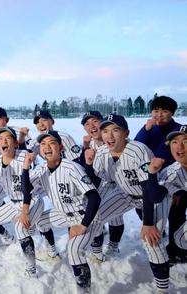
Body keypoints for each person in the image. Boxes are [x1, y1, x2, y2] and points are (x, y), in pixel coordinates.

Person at [84, 114, 171, 293]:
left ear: (126, 133)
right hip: (126, 193)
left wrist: (147, 224)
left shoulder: (138, 150)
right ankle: (99, 255)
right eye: (105, 131)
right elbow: (96, 180)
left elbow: (148, 188)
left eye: (115, 130)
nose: (109, 135)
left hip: (153, 196)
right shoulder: (101, 152)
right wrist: (89, 165)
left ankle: (163, 288)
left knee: (151, 240)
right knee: (96, 216)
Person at [22, 130, 101, 292]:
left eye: (51, 143)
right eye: (42, 144)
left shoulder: (72, 168)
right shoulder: (41, 168)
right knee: (40, 221)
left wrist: (84, 225)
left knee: (74, 252)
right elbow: (26, 188)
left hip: (85, 216)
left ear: (61, 147)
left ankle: (84, 291)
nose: (46, 147)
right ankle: (52, 252)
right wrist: (25, 168)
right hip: (63, 214)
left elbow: (94, 197)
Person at [0, 127, 44, 278]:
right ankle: (7, 237)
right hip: (13, 202)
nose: (4, 141)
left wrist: (24, 212)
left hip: (31, 199)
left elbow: (28, 187)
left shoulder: (24, 156)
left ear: (15, 142)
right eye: (0, 139)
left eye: (8, 138)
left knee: (21, 229)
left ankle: (31, 268)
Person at [134, 96, 186, 262]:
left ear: (172, 113)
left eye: (164, 111)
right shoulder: (149, 129)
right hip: (152, 177)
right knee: (145, 208)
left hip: (176, 179)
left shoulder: (179, 130)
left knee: (176, 214)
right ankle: (160, 232)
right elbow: (136, 148)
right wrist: (146, 130)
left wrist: (178, 189)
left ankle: (176, 249)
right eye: (156, 110)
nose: (159, 114)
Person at [79, 111, 125, 260]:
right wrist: (85, 148)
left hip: (121, 184)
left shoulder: (117, 139)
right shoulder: (90, 144)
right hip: (102, 183)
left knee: (116, 218)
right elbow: (85, 168)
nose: (91, 126)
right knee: (94, 215)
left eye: (95, 121)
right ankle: (97, 250)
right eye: (87, 124)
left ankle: (113, 246)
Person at [156, 125, 187, 282]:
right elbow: (156, 189)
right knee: (180, 237)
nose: (180, 146)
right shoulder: (171, 171)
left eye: (186, 141)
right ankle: (177, 252)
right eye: (175, 141)